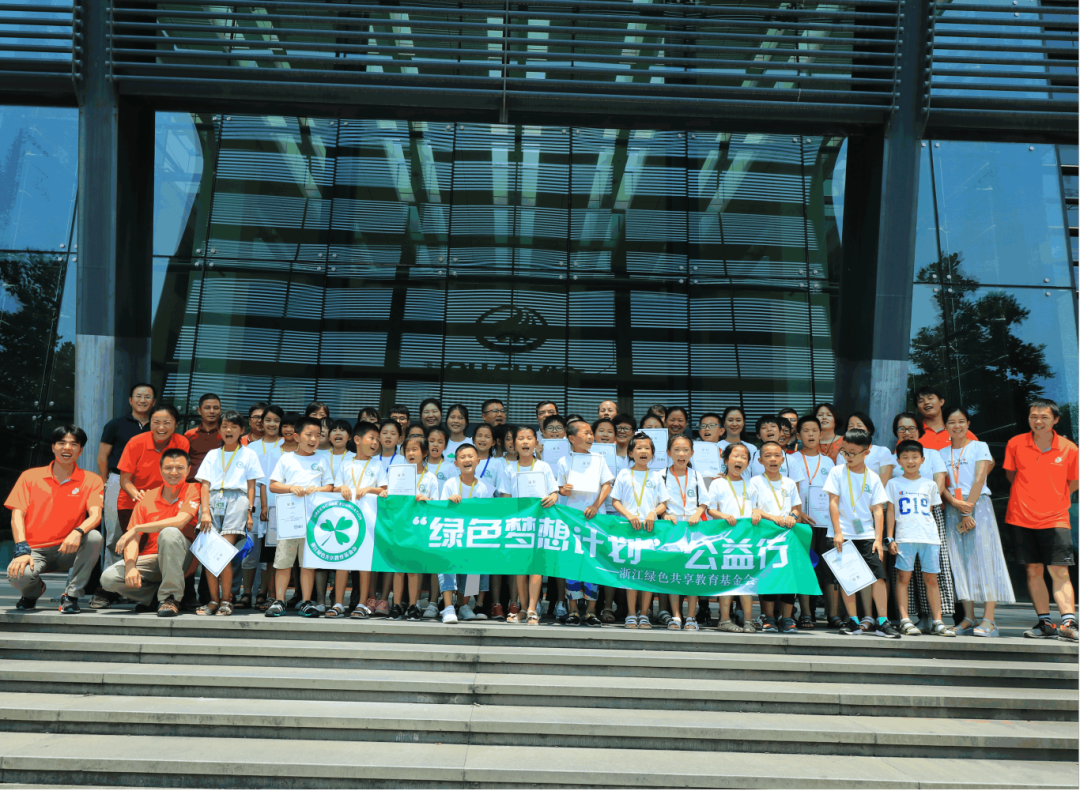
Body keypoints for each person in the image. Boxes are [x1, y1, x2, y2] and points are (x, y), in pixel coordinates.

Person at [6, 425, 105, 613]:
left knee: (94, 538)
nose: (67, 448)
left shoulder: (92, 480)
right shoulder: (30, 477)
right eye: (61, 443)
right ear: (53, 447)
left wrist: (77, 532)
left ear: (80, 450)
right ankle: (32, 593)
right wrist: (21, 549)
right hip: (34, 550)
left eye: (73, 444)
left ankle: (71, 596)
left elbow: (96, 515)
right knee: (18, 576)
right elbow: (17, 515)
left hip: (67, 548)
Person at [1004, 398, 1078, 642]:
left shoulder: (1069, 448)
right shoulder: (1015, 443)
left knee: (1059, 570)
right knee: (1033, 570)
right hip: (1021, 517)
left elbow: (1074, 481)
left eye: (1044, 417)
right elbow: (1011, 475)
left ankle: (1068, 623)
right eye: (1033, 416)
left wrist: (1056, 499)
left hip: (1056, 519)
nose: (1038, 421)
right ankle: (1045, 623)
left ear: (1055, 420)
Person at [939, 406, 1015, 637]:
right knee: (959, 561)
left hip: (978, 505)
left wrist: (967, 509)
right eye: (952, 422)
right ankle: (969, 618)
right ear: (945, 426)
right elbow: (940, 485)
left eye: (961, 421)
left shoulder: (979, 446)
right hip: (953, 508)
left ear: (968, 424)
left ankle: (989, 620)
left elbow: (980, 478)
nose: (957, 426)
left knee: (985, 558)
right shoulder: (941, 452)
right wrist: (956, 503)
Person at [99, 448, 200, 617]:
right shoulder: (146, 497)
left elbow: (180, 521)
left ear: (188, 470)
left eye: (180, 468)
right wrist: (130, 566)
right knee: (109, 578)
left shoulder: (193, 489)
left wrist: (138, 527)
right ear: (160, 470)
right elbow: (133, 539)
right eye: (168, 468)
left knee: (169, 532)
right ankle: (154, 597)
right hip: (153, 559)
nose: (174, 472)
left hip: (183, 558)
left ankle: (170, 598)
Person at [823, 428, 899, 638]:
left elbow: (878, 509)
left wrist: (878, 539)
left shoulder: (873, 477)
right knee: (848, 578)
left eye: (853, 453)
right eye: (844, 452)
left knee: (878, 577)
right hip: (842, 534)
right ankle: (853, 621)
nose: (847, 457)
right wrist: (838, 532)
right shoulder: (837, 472)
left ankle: (882, 621)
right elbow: (833, 503)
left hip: (866, 535)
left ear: (866, 452)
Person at [889, 412, 955, 631]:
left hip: (928, 525)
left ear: (919, 430)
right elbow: (890, 506)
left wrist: (927, 512)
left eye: (911, 428)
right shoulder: (893, 464)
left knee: (932, 576)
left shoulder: (932, 457)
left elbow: (938, 486)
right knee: (904, 576)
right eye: (901, 428)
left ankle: (936, 620)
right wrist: (890, 536)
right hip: (904, 527)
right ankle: (908, 619)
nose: (906, 432)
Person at [91, 382, 155, 605]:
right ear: (130, 400)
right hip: (118, 481)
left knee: (146, 534)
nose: (143, 400)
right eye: (138, 396)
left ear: (154, 401)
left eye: (147, 397)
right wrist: (105, 483)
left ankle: (136, 587)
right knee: (115, 535)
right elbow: (102, 456)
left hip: (149, 484)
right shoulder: (115, 425)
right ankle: (110, 588)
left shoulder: (158, 425)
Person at [264, 417, 335, 618]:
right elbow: (273, 485)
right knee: (283, 561)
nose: (313, 439)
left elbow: (330, 486)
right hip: (289, 518)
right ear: (297, 437)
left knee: (307, 562)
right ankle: (279, 600)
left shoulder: (322, 459)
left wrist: (317, 489)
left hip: (313, 519)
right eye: (309, 435)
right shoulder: (286, 459)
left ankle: (306, 601)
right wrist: (290, 488)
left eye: (318, 435)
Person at [193, 410, 261, 616]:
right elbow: (205, 485)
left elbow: (251, 486)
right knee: (209, 552)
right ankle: (213, 600)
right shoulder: (213, 454)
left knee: (222, 551)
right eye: (224, 426)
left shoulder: (249, 454)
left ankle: (225, 600)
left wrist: (249, 512)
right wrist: (205, 511)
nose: (228, 430)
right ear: (219, 430)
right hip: (213, 500)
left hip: (237, 500)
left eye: (233, 426)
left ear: (241, 430)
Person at [497, 425, 558, 625]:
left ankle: (532, 608)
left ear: (536, 443)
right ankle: (523, 608)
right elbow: (505, 498)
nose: (525, 442)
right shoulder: (508, 469)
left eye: (529, 438)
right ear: (513, 444)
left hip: (540, 524)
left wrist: (553, 497)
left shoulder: (544, 467)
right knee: (520, 568)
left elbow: (554, 493)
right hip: (518, 525)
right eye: (520, 438)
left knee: (536, 566)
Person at [555, 419, 614, 626]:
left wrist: (596, 505)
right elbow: (559, 489)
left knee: (593, 564)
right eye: (585, 433)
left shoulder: (599, 459)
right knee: (572, 564)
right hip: (572, 519)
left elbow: (607, 485)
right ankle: (573, 610)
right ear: (571, 438)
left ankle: (591, 611)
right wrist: (563, 490)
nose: (590, 437)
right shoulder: (564, 461)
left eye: (591, 433)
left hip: (595, 519)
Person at [610, 432, 669, 629]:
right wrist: (628, 515)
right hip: (628, 531)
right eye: (639, 448)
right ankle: (631, 613)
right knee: (631, 573)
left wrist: (653, 512)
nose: (643, 452)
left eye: (647, 448)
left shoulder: (657, 475)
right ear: (630, 453)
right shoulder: (624, 474)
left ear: (653, 453)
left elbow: (663, 503)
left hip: (650, 531)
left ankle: (644, 614)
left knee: (647, 573)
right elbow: (615, 500)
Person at [748, 440, 804, 634]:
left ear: (782, 459)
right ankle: (768, 617)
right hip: (766, 536)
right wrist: (773, 518)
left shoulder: (789, 483)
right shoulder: (755, 482)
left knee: (790, 576)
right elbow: (752, 509)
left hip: (787, 536)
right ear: (760, 460)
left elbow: (796, 508)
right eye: (768, 456)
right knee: (768, 575)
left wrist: (793, 517)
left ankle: (787, 618)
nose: (772, 459)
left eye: (777, 455)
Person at [337, 421, 388, 619]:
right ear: (357, 440)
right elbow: (336, 487)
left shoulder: (377, 464)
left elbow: (385, 489)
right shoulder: (345, 463)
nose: (375, 442)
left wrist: (369, 489)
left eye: (377, 439)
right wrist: (341, 488)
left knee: (364, 563)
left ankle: (361, 604)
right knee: (342, 561)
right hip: (345, 520)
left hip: (367, 521)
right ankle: (338, 603)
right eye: (371, 438)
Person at [438, 443, 493, 624]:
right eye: (462, 457)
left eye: (470, 456)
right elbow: (440, 510)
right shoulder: (450, 484)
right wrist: (449, 501)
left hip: (474, 537)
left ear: (478, 461)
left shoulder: (485, 487)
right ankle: (448, 607)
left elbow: (489, 514)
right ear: (456, 463)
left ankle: (463, 605)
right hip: (452, 535)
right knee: (446, 564)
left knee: (474, 567)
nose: (467, 460)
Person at [707, 443, 756, 634]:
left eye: (744, 457)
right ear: (726, 460)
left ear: (748, 463)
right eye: (735, 456)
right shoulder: (718, 483)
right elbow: (710, 509)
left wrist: (757, 513)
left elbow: (757, 508)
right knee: (726, 579)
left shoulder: (751, 483)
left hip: (746, 540)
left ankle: (749, 621)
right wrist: (723, 516)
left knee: (747, 580)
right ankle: (725, 620)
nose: (739, 460)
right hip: (725, 539)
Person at [791, 416, 835, 628]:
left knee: (828, 566)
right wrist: (798, 514)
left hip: (824, 522)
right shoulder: (791, 459)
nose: (810, 434)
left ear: (821, 434)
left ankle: (832, 614)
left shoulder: (828, 462)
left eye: (814, 430)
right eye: (806, 431)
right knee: (804, 565)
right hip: (800, 522)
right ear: (798, 435)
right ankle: (806, 613)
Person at [664, 435, 709, 631]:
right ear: (668, 453)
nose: (681, 454)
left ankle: (691, 616)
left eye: (685, 450)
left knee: (693, 573)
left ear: (692, 453)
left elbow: (704, 502)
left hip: (693, 529)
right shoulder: (662, 475)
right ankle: (676, 615)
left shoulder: (697, 475)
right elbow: (658, 502)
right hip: (672, 530)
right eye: (676, 450)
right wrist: (664, 514)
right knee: (674, 573)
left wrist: (698, 513)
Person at [245, 404, 284, 610]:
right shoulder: (251, 448)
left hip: (277, 504)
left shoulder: (287, 445)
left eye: (276, 421)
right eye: (268, 420)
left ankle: (264, 593)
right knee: (251, 550)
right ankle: (246, 592)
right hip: (254, 503)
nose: (271, 424)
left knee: (271, 553)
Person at [916, 387, 977, 451]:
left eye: (930, 398)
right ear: (917, 409)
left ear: (941, 401)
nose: (926, 402)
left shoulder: (961, 431)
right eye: (921, 401)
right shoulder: (914, 433)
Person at [840, 412, 894, 484]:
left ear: (869, 430)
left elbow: (883, 484)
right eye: (851, 426)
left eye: (859, 425)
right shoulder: (842, 454)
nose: (855, 428)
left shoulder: (882, 452)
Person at [184, 394, 223, 483]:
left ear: (220, 410)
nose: (212, 411)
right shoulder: (189, 435)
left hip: (217, 484)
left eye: (216, 408)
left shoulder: (226, 435)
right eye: (207, 408)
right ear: (199, 410)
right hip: (192, 483)